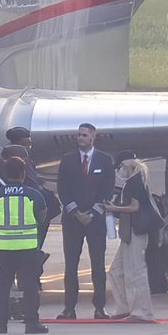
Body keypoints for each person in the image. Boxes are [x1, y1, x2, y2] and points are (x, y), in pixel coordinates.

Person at [55, 122, 114, 319]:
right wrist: (75, 212)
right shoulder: (67, 160)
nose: (80, 138)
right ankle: (69, 308)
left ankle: (100, 307)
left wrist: (93, 213)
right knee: (71, 264)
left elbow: (108, 189)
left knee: (98, 264)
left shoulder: (105, 160)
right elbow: (62, 188)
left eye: (84, 135)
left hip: (95, 220)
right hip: (73, 220)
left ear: (93, 138)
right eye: (78, 135)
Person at [0, 153, 48, 334]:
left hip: (5, 248)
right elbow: (41, 217)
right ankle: (31, 322)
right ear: (23, 174)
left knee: (3, 285)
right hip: (27, 248)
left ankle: (0, 324)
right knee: (29, 285)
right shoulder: (33, 195)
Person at [104, 153, 163, 322]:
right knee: (116, 271)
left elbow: (135, 207)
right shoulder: (137, 180)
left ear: (126, 164)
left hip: (136, 232)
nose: (119, 171)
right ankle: (124, 308)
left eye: (120, 167)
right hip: (129, 234)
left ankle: (141, 312)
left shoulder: (134, 182)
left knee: (135, 272)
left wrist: (115, 207)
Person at [4, 126, 61, 254]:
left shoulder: (19, 159)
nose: (30, 147)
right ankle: (35, 250)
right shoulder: (20, 162)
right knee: (48, 209)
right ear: (19, 144)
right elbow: (31, 183)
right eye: (26, 144)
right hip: (27, 201)